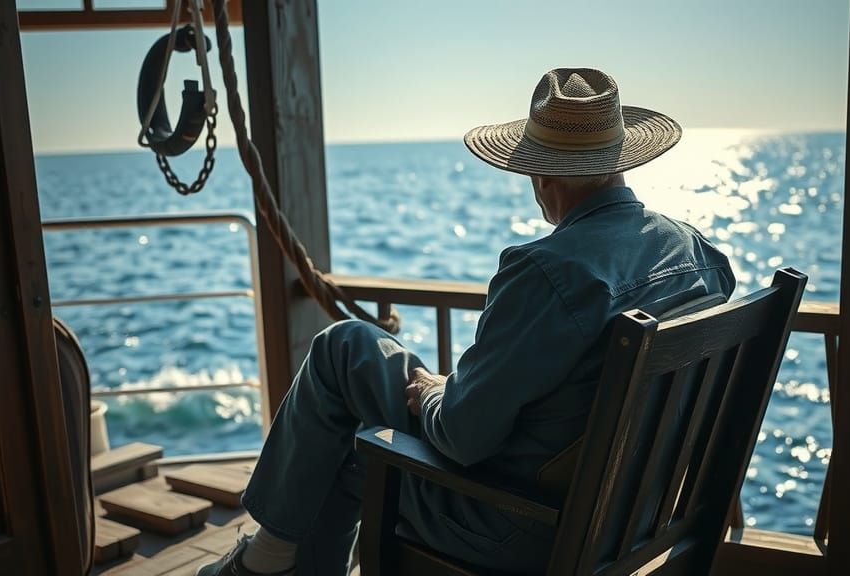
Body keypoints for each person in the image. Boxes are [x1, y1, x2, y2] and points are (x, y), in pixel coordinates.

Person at [198, 67, 735, 576]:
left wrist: (437, 392)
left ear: (541, 173)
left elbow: (461, 437)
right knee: (351, 446)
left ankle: (266, 560)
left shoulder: (547, 272)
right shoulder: (698, 254)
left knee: (344, 350)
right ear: (622, 161)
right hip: (635, 516)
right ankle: (269, 560)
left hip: (522, 526)